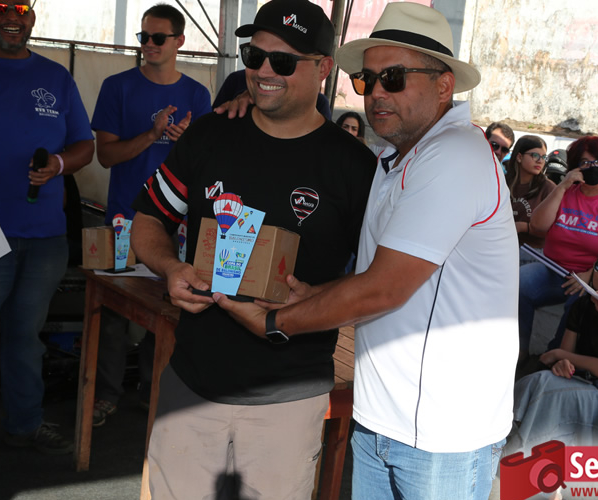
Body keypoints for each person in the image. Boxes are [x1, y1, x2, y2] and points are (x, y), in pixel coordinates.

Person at [216, 3, 518, 499]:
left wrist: (275, 323)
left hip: (442, 435)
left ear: (444, 85)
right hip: (385, 418)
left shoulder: (455, 154)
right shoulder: (397, 156)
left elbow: (384, 289)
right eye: (367, 79)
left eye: (393, 78)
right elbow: (383, 276)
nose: (376, 92)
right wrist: (315, 295)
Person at [129, 0, 376, 497]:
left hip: (288, 395)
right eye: (254, 56)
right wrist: (171, 267)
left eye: (282, 61)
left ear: (323, 69)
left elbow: (377, 279)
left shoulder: (354, 166)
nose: (264, 71)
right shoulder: (209, 134)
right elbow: (149, 219)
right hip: (192, 380)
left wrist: (318, 296)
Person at [0, 0, 94, 460]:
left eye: (21, 7)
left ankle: (25, 424)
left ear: (32, 16)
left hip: (44, 235)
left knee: (26, 336)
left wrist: (59, 165)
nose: (11, 16)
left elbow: (85, 145)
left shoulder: (56, 77)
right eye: (0, 7)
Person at [89, 3, 211, 427]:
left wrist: (186, 142)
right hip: (123, 219)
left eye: (158, 37)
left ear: (179, 42)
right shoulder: (117, 86)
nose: (149, 44)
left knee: (169, 309)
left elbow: (207, 166)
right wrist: (153, 134)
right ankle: (104, 395)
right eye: (144, 37)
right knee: (111, 314)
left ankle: (153, 390)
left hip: (176, 226)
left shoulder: (197, 94)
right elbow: (105, 156)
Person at [511, 245, 598, 454]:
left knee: (548, 390)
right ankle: (523, 451)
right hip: (584, 381)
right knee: (537, 381)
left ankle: (522, 454)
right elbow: (566, 358)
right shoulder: (582, 305)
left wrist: (560, 355)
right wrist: (562, 363)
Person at [518, 136, 598, 363]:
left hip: (591, 277)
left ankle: (553, 359)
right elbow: (538, 225)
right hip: (553, 269)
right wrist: (562, 186)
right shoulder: (565, 193)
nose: (592, 167)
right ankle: (520, 351)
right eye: (585, 163)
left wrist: (589, 275)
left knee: (579, 305)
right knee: (519, 284)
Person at [505, 135, 556, 264]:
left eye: (543, 157)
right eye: (535, 155)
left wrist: (525, 227)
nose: (540, 161)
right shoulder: (503, 182)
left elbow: (554, 229)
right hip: (501, 244)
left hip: (532, 251)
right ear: (519, 157)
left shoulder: (549, 188)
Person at [212, 67, 332, 120]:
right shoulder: (237, 80)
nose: (263, 72)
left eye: (284, 59)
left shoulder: (318, 103)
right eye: (254, 55)